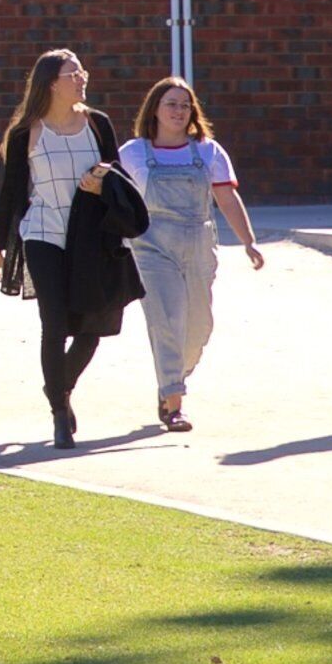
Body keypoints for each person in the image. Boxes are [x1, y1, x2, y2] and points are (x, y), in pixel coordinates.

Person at [0, 48, 148, 449]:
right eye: (73, 74)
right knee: (54, 324)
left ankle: (59, 385)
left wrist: (102, 180)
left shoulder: (97, 124)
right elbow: (11, 192)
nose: (82, 78)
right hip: (43, 233)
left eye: (82, 72)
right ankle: (60, 414)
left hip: (90, 238)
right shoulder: (26, 132)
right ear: (51, 83)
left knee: (93, 325)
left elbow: (117, 175)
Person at [120, 77, 265, 434]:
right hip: (151, 247)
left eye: (185, 105)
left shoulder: (208, 152)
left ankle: (172, 378)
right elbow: (113, 198)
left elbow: (226, 198)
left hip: (199, 246)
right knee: (167, 321)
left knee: (199, 327)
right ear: (154, 109)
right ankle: (174, 403)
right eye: (171, 104)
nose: (179, 111)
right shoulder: (132, 153)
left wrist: (248, 241)